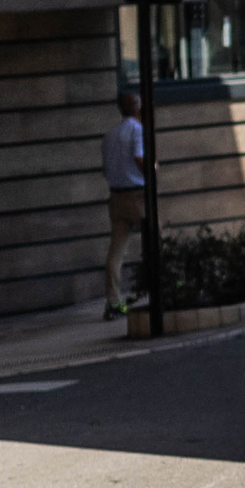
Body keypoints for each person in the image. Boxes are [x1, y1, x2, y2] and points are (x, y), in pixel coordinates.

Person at [103, 92, 146, 320]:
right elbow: (139, 158)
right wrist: (153, 169)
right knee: (156, 240)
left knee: (115, 252)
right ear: (137, 107)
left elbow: (106, 171)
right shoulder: (137, 129)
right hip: (136, 196)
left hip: (116, 198)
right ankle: (163, 288)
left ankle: (113, 302)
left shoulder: (110, 136)